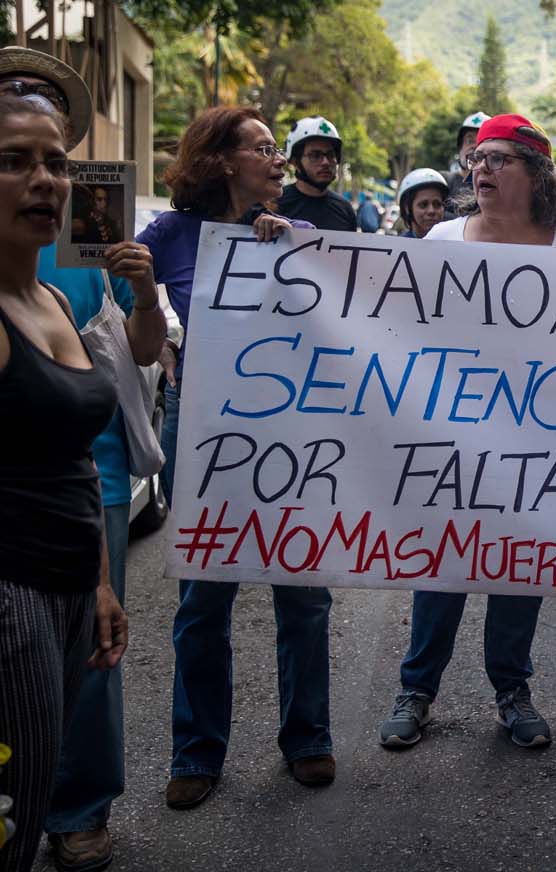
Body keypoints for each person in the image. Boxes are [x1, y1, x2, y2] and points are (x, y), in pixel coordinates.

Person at [138, 106, 325, 811]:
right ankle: (196, 752)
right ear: (221, 161)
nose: (278, 159)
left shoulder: (303, 235)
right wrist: (157, 338)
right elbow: (108, 289)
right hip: (208, 423)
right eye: (264, 149)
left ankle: (308, 738)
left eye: (279, 149)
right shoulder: (173, 234)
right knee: (203, 595)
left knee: (302, 587)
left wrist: (292, 249)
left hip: (294, 429)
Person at [377, 113, 556, 753]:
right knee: (440, 570)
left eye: (500, 160)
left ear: (535, 173)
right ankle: (417, 691)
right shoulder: (439, 241)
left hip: (533, 448)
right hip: (449, 440)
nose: (481, 168)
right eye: (479, 159)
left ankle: (513, 693)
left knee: (520, 571)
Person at [0, 90, 128, 872]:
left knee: (35, 787)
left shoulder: (47, 296)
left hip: (69, 590)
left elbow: (76, 459)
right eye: (13, 161)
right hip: (10, 604)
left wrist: (101, 582)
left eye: (55, 162)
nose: (44, 180)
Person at [38, 218, 166, 868]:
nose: (39, 175)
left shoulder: (92, 240)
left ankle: (80, 808)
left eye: (54, 156)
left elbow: (142, 352)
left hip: (96, 474)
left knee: (92, 640)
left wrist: (143, 294)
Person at [276, 115, 356, 231]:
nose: (325, 162)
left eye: (330, 155)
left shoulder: (345, 209)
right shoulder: (275, 204)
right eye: (315, 155)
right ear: (295, 162)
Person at [444, 111, 490, 213]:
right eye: (470, 141)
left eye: (481, 141)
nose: (475, 146)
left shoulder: (495, 186)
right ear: (460, 148)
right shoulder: (445, 182)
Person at [395, 167, 448, 240]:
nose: (431, 211)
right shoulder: (397, 247)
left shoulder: (457, 243)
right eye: (423, 205)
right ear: (407, 208)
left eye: (437, 204)